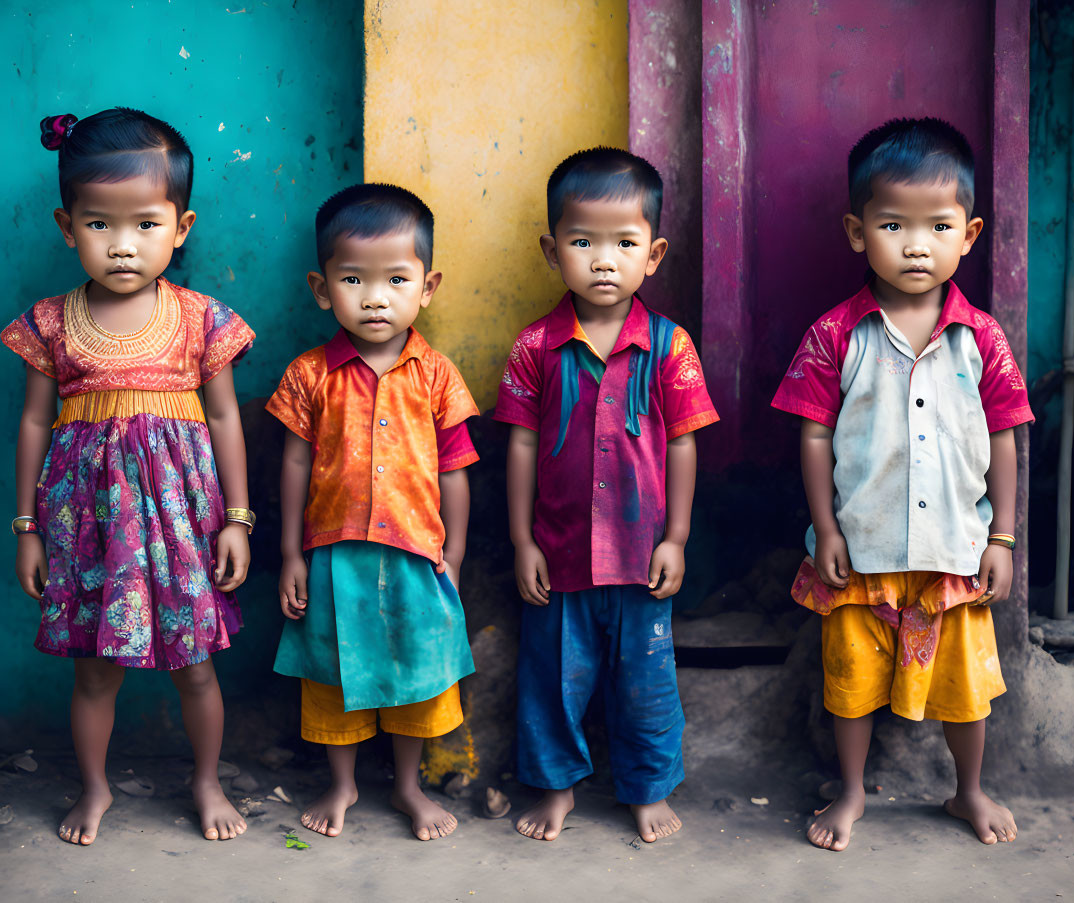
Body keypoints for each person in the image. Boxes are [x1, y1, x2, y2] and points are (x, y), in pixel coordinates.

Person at [772, 117, 1033, 851]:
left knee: (965, 687)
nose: (915, 244)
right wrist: (825, 528)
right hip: (861, 553)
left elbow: (1007, 436)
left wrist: (1002, 536)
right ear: (857, 232)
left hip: (954, 551)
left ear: (969, 233)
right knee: (849, 681)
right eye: (892, 225)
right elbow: (813, 435)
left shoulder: (980, 337)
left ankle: (968, 790)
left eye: (936, 226)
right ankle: (851, 792)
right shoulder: (834, 336)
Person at [5, 108, 255, 844]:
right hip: (89, 530)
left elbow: (225, 420)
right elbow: (31, 425)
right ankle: (94, 788)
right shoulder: (51, 324)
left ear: (181, 227)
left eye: (146, 225)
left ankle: (206, 781)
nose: (122, 246)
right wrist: (25, 529)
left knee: (198, 667)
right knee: (91, 671)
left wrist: (237, 519)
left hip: (183, 526)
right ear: (66, 224)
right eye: (99, 226)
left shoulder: (201, 318)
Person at [495, 147, 718, 843]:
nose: (601, 259)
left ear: (651, 255)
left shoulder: (669, 345)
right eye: (582, 241)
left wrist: (676, 537)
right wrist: (522, 540)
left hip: (640, 554)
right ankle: (556, 785)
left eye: (623, 244)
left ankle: (646, 788)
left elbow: (682, 441)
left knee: (645, 685)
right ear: (551, 247)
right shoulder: (534, 347)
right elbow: (520, 446)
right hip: (558, 556)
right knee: (552, 681)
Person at [267, 183, 477, 841]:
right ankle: (342, 782)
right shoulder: (309, 375)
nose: (375, 296)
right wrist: (292, 555)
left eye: (395, 279)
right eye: (353, 279)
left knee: (416, 674)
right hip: (334, 555)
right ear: (322, 286)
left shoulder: (437, 375)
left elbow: (455, 469)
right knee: (333, 673)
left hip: (417, 551)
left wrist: (457, 553)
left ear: (427, 284)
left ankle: (408, 786)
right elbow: (295, 465)